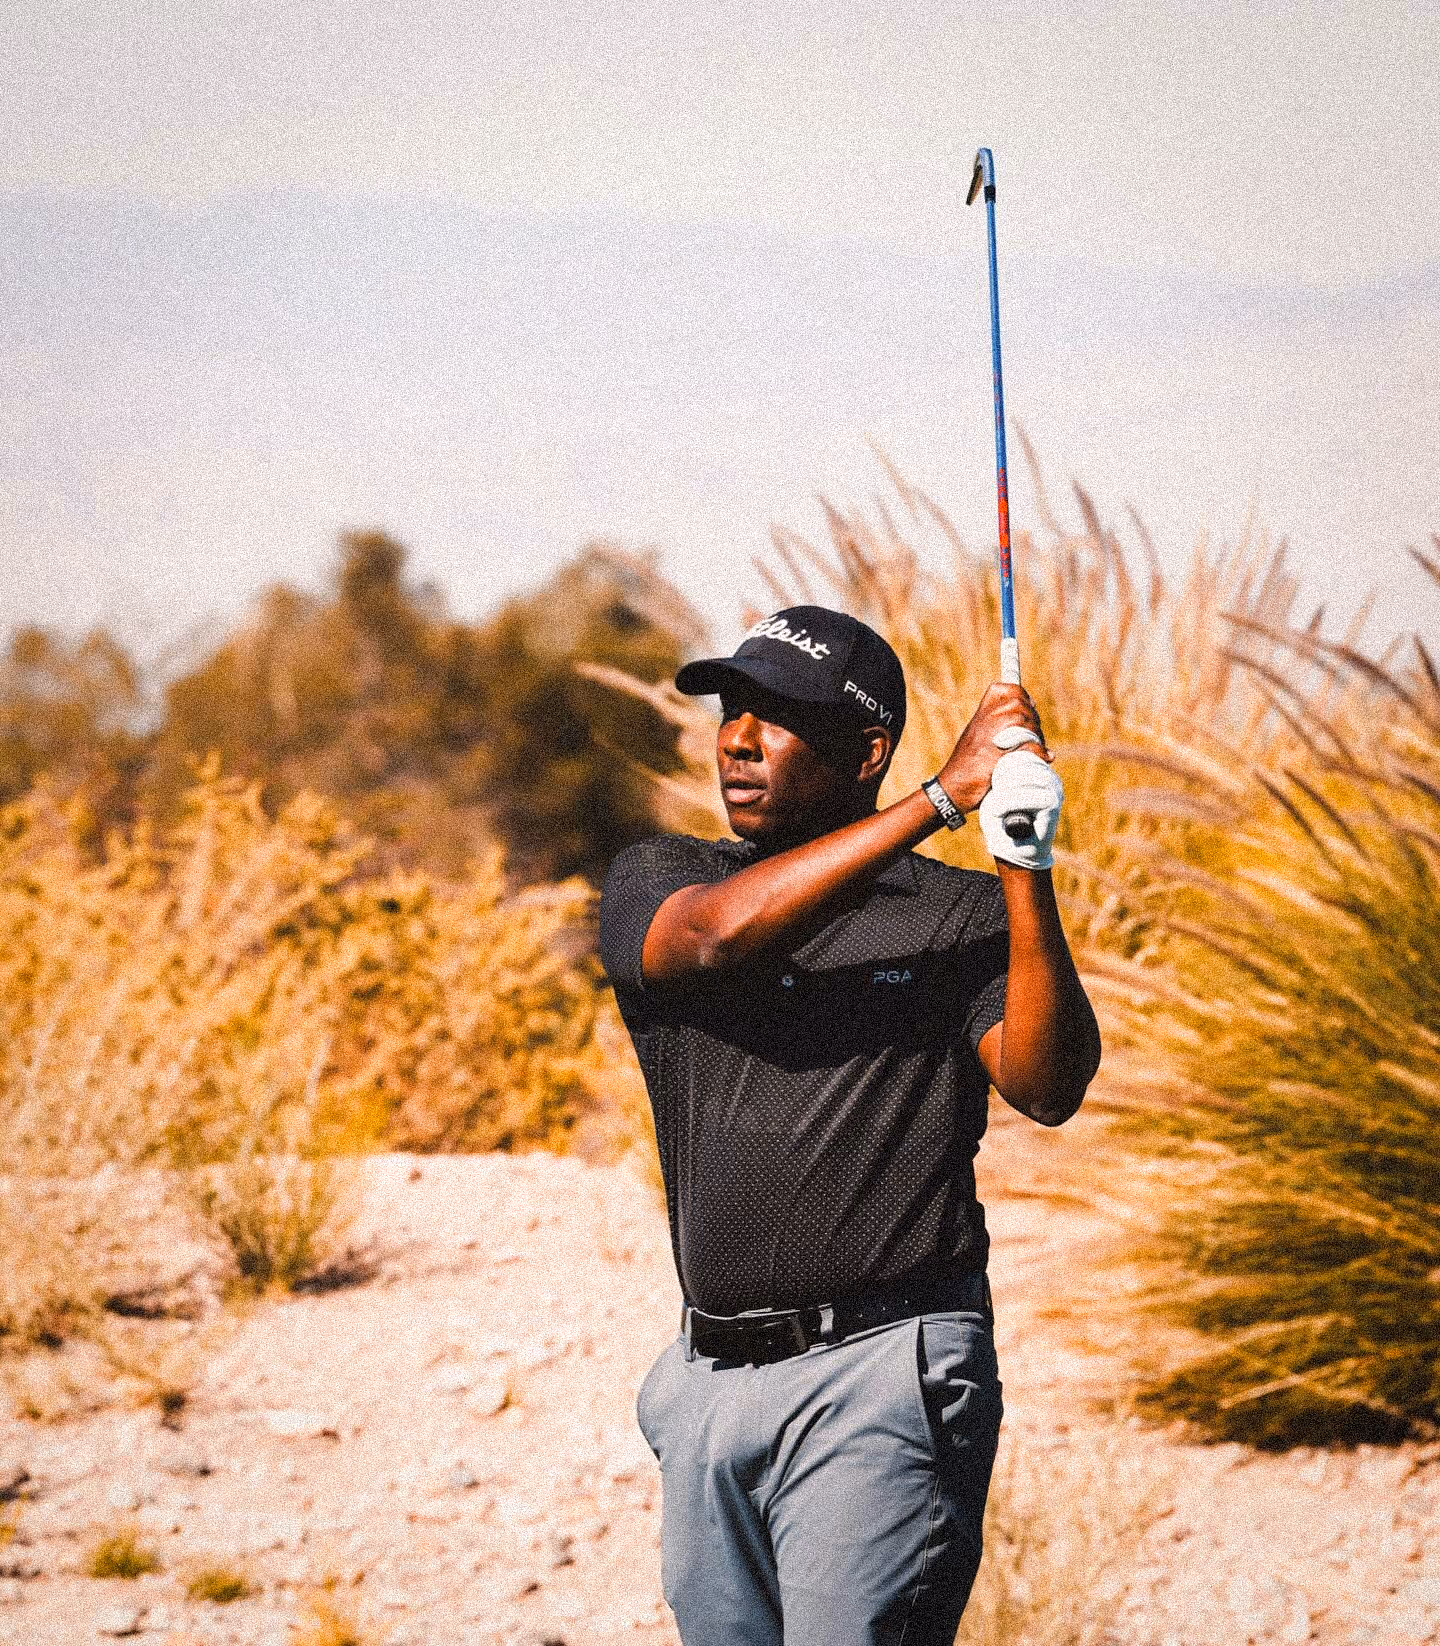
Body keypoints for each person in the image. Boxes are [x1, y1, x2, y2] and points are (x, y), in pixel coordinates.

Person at [599, 605, 1100, 1646]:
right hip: (710, 1386)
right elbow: (716, 937)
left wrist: (1025, 872)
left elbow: (1046, 1084)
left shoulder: (953, 913)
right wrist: (937, 799)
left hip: (882, 1369)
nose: (736, 737)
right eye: (731, 709)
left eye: (776, 716)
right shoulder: (667, 878)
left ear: (862, 750)